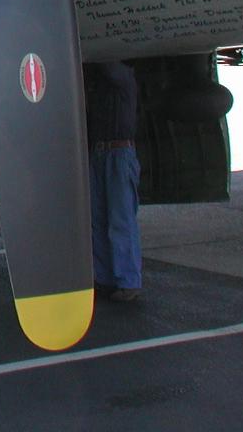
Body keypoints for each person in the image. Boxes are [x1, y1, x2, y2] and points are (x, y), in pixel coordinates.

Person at [84, 60, 142, 302]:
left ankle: (128, 281)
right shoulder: (98, 86)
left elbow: (110, 69)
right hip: (100, 153)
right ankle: (106, 278)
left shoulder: (123, 77)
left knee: (120, 219)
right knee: (98, 219)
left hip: (118, 154)